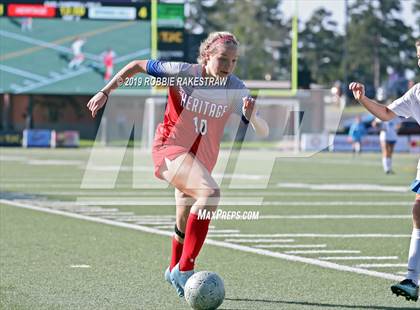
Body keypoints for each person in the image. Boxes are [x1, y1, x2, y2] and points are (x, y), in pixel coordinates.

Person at [87, 32, 269, 298]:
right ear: (207, 56)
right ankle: (185, 269)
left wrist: (253, 118)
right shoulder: (182, 73)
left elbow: (263, 130)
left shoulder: (235, 87)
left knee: (184, 218)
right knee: (210, 194)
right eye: (222, 59)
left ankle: (173, 267)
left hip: (202, 159)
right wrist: (106, 91)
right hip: (170, 149)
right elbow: (138, 65)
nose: (228, 66)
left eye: (234, 61)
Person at [349, 39, 420, 302]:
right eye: (419, 56)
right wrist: (363, 99)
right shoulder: (417, 93)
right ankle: (412, 279)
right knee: (419, 210)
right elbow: (387, 113)